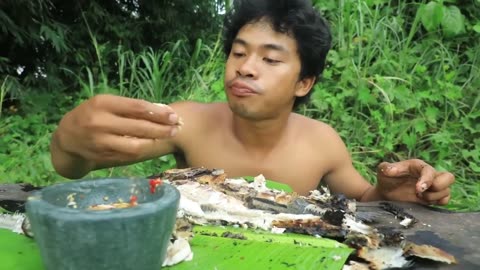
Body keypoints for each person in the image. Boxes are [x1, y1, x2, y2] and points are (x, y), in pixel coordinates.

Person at [50, 0, 454, 205]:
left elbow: (364, 199)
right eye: (239, 53)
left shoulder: (322, 143)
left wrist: (389, 193)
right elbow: (74, 167)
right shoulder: (185, 122)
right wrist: (70, 144)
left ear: (304, 82)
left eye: (271, 58)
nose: (245, 68)